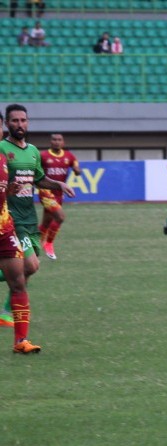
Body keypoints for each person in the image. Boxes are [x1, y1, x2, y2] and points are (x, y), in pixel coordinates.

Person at [0, 105, 75, 344]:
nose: (19, 124)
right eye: (14, 120)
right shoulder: (2, 149)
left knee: (27, 270)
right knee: (31, 265)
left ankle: (5, 312)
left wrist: (59, 185)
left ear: (28, 123)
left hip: (29, 219)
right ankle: (7, 314)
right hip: (11, 219)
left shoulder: (32, 151)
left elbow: (39, 179)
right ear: (7, 124)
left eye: (23, 120)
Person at [0, 148, 41, 352]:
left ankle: (21, 342)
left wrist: (8, 192)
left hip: (5, 229)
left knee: (18, 282)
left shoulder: (2, 159)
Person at [38, 133, 80, 261]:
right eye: (54, 140)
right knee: (60, 217)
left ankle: (34, 247)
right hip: (45, 192)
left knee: (46, 223)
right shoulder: (43, 156)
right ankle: (49, 244)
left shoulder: (69, 156)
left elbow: (77, 168)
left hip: (58, 194)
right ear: (50, 142)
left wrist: (77, 170)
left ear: (63, 142)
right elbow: (36, 171)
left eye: (59, 140)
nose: (56, 142)